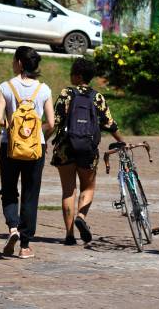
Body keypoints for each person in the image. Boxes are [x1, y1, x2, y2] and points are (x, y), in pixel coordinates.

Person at [51, 57, 123, 245]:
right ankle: (81, 216)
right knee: (88, 187)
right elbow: (110, 124)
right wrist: (122, 141)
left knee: (68, 190)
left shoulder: (67, 93)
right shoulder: (97, 97)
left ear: (78, 75)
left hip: (65, 148)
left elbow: (56, 120)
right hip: (87, 149)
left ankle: (69, 235)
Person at [0, 46, 55, 259]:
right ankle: (25, 245)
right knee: (31, 193)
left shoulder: (5, 87)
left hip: (9, 147)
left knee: (9, 189)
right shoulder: (44, 90)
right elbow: (51, 122)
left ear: (19, 63)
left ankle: (12, 228)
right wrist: (37, 135)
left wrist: (11, 125)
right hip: (35, 148)